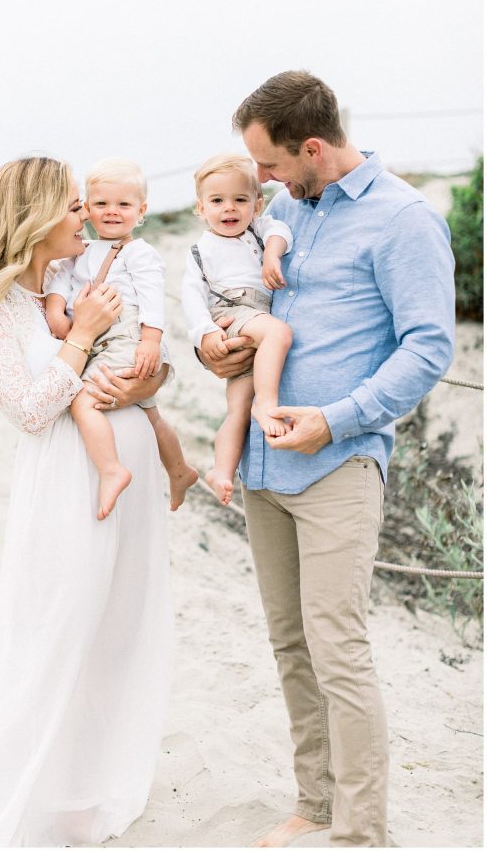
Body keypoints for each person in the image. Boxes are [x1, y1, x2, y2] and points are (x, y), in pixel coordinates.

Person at [198, 71, 455, 848]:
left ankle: (359, 831)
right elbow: (247, 305)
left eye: (270, 166)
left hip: (337, 468)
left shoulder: (403, 219)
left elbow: (428, 348)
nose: (260, 183)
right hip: (262, 468)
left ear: (312, 148)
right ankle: (313, 804)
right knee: (289, 645)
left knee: (337, 649)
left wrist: (334, 422)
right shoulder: (284, 210)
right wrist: (214, 347)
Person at [0, 156, 173, 847]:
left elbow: (144, 361)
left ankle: (83, 791)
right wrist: (83, 335)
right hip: (67, 481)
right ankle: (25, 796)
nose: (85, 216)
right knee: (53, 631)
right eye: (71, 206)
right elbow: (32, 411)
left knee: (116, 633)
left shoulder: (83, 277)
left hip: (130, 472)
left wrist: (141, 376)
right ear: (34, 218)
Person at [46, 157, 198, 517]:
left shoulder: (139, 253)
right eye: (101, 204)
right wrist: (56, 310)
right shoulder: (79, 252)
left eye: (124, 205)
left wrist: (150, 341)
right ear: (86, 209)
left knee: (83, 400)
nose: (112, 212)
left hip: (128, 334)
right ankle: (180, 471)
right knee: (150, 414)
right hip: (100, 335)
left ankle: (111, 470)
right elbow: (59, 282)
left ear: (141, 211)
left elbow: (151, 299)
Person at [181, 153, 293, 505]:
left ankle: (221, 471)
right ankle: (269, 403)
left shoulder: (258, 231)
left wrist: (272, 255)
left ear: (257, 204)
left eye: (240, 200)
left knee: (237, 410)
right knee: (280, 333)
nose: (229, 209)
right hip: (232, 312)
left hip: (255, 319)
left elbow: (280, 229)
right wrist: (204, 332)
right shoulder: (201, 250)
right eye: (217, 201)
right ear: (201, 208)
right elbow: (191, 294)